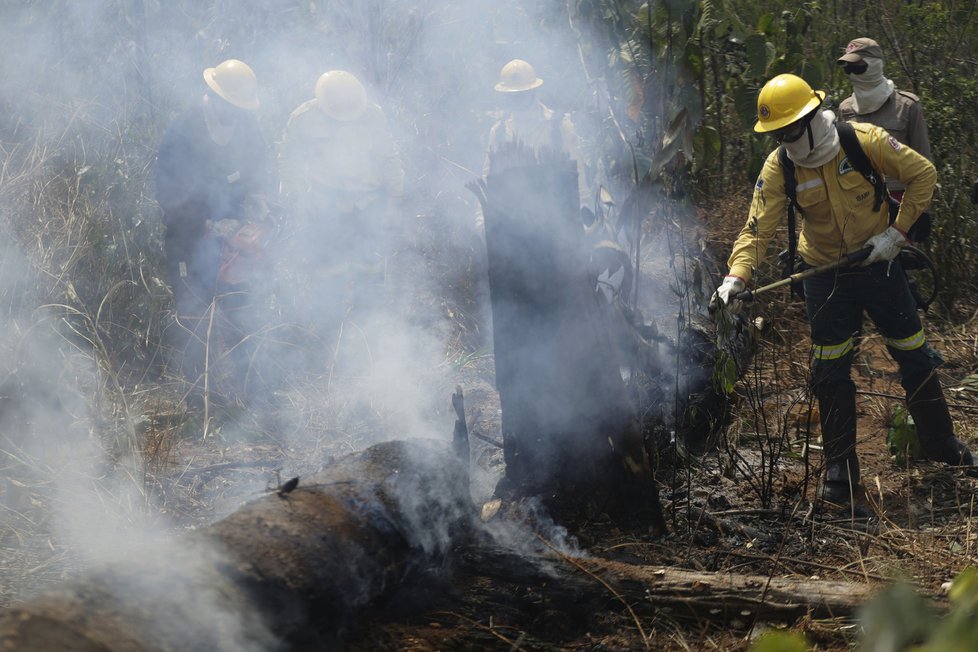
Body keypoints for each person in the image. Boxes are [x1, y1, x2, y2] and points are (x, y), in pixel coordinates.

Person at [712, 74, 973, 504]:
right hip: (823, 274)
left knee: (912, 351)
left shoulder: (862, 140)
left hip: (879, 265)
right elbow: (756, 228)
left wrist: (896, 236)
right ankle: (840, 472)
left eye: (790, 130)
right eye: (776, 134)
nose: (785, 140)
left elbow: (923, 174)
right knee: (830, 369)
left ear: (813, 117)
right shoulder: (781, 166)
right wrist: (735, 278)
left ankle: (941, 444)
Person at [155, 58, 271, 406]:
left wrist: (259, 203)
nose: (236, 114)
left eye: (241, 108)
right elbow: (168, 192)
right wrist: (204, 225)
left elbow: (259, 170)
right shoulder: (183, 130)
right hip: (188, 239)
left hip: (234, 239)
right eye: (230, 106)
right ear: (213, 96)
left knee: (241, 309)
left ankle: (252, 394)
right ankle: (200, 400)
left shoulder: (248, 128)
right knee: (194, 315)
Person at [279, 70, 404, 332]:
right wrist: (297, 202)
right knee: (327, 272)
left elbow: (389, 157)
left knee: (369, 269)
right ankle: (329, 333)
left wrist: (394, 198)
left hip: (368, 205)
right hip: (325, 206)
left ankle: (366, 333)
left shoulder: (373, 115)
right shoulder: (303, 118)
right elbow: (290, 163)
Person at [837, 37, 933, 239]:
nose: (853, 74)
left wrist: (921, 213)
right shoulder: (845, 110)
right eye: (848, 69)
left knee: (896, 265)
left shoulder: (907, 107)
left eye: (858, 67)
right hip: (858, 204)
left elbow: (925, 164)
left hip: (899, 201)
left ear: (874, 64)